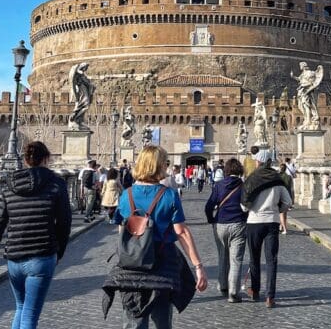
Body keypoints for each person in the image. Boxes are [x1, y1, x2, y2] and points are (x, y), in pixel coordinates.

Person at [104, 146, 208, 327]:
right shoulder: (169, 195)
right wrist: (198, 266)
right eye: (165, 163)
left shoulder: (126, 195)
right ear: (158, 165)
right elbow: (181, 232)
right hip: (162, 268)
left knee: (133, 322)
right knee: (162, 321)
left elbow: (123, 231)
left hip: (131, 268)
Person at [0, 141, 71, 329]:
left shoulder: (9, 185)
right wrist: (59, 252)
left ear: (26, 160)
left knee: (21, 307)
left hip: (14, 258)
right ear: (46, 159)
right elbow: (64, 223)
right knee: (30, 314)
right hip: (42, 255)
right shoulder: (56, 184)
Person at [240, 151, 291, 308]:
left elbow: (243, 206)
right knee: (271, 260)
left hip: (254, 221)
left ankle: (255, 291)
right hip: (272, 222)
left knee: (254, 258)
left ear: (259, 162)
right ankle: (270, 297)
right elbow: (287, 202)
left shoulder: (251, 179)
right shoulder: (277, 179)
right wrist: (277, 210)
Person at [204, 158, 248, 303]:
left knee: (222, 256)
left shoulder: (219, 185)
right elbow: (247, 205)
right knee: (236, 259)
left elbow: (209, 206)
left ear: (226, 171)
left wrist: (211, 220)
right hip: (238, 224)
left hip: (220, 224)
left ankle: (223, 285)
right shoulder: (243, 186)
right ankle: (233, 292)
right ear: (240, 170)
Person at [290, 62, 323, 130]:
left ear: (303, 66)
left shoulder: (310, 73)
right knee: (301, 106)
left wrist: (303, 85)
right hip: (302, 92)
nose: (300, 67)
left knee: (306, 105)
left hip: (307, 92)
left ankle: (308, 120)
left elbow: (311, 83)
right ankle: (306, 119)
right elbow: (299, 79)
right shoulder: (303, 74)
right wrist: (293, 76)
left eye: (300, 65)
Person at [68, 62, 94, 130]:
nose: (86, 69)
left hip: (84, 90)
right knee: (85, 105)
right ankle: (75, 117)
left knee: (86, 106)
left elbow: (88, 83)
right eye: (85, 67)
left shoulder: (82, 75)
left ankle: (78, 119)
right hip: (81, 91)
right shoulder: (78, 72)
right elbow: (74, 79)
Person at [277, 163, 293, 235]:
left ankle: (285, 229)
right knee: (285, 214)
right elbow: (291, 189)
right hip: (288, 196)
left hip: (280, 196)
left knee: (281, 214)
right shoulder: (289, 177)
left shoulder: (278, 176)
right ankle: (281, 227)